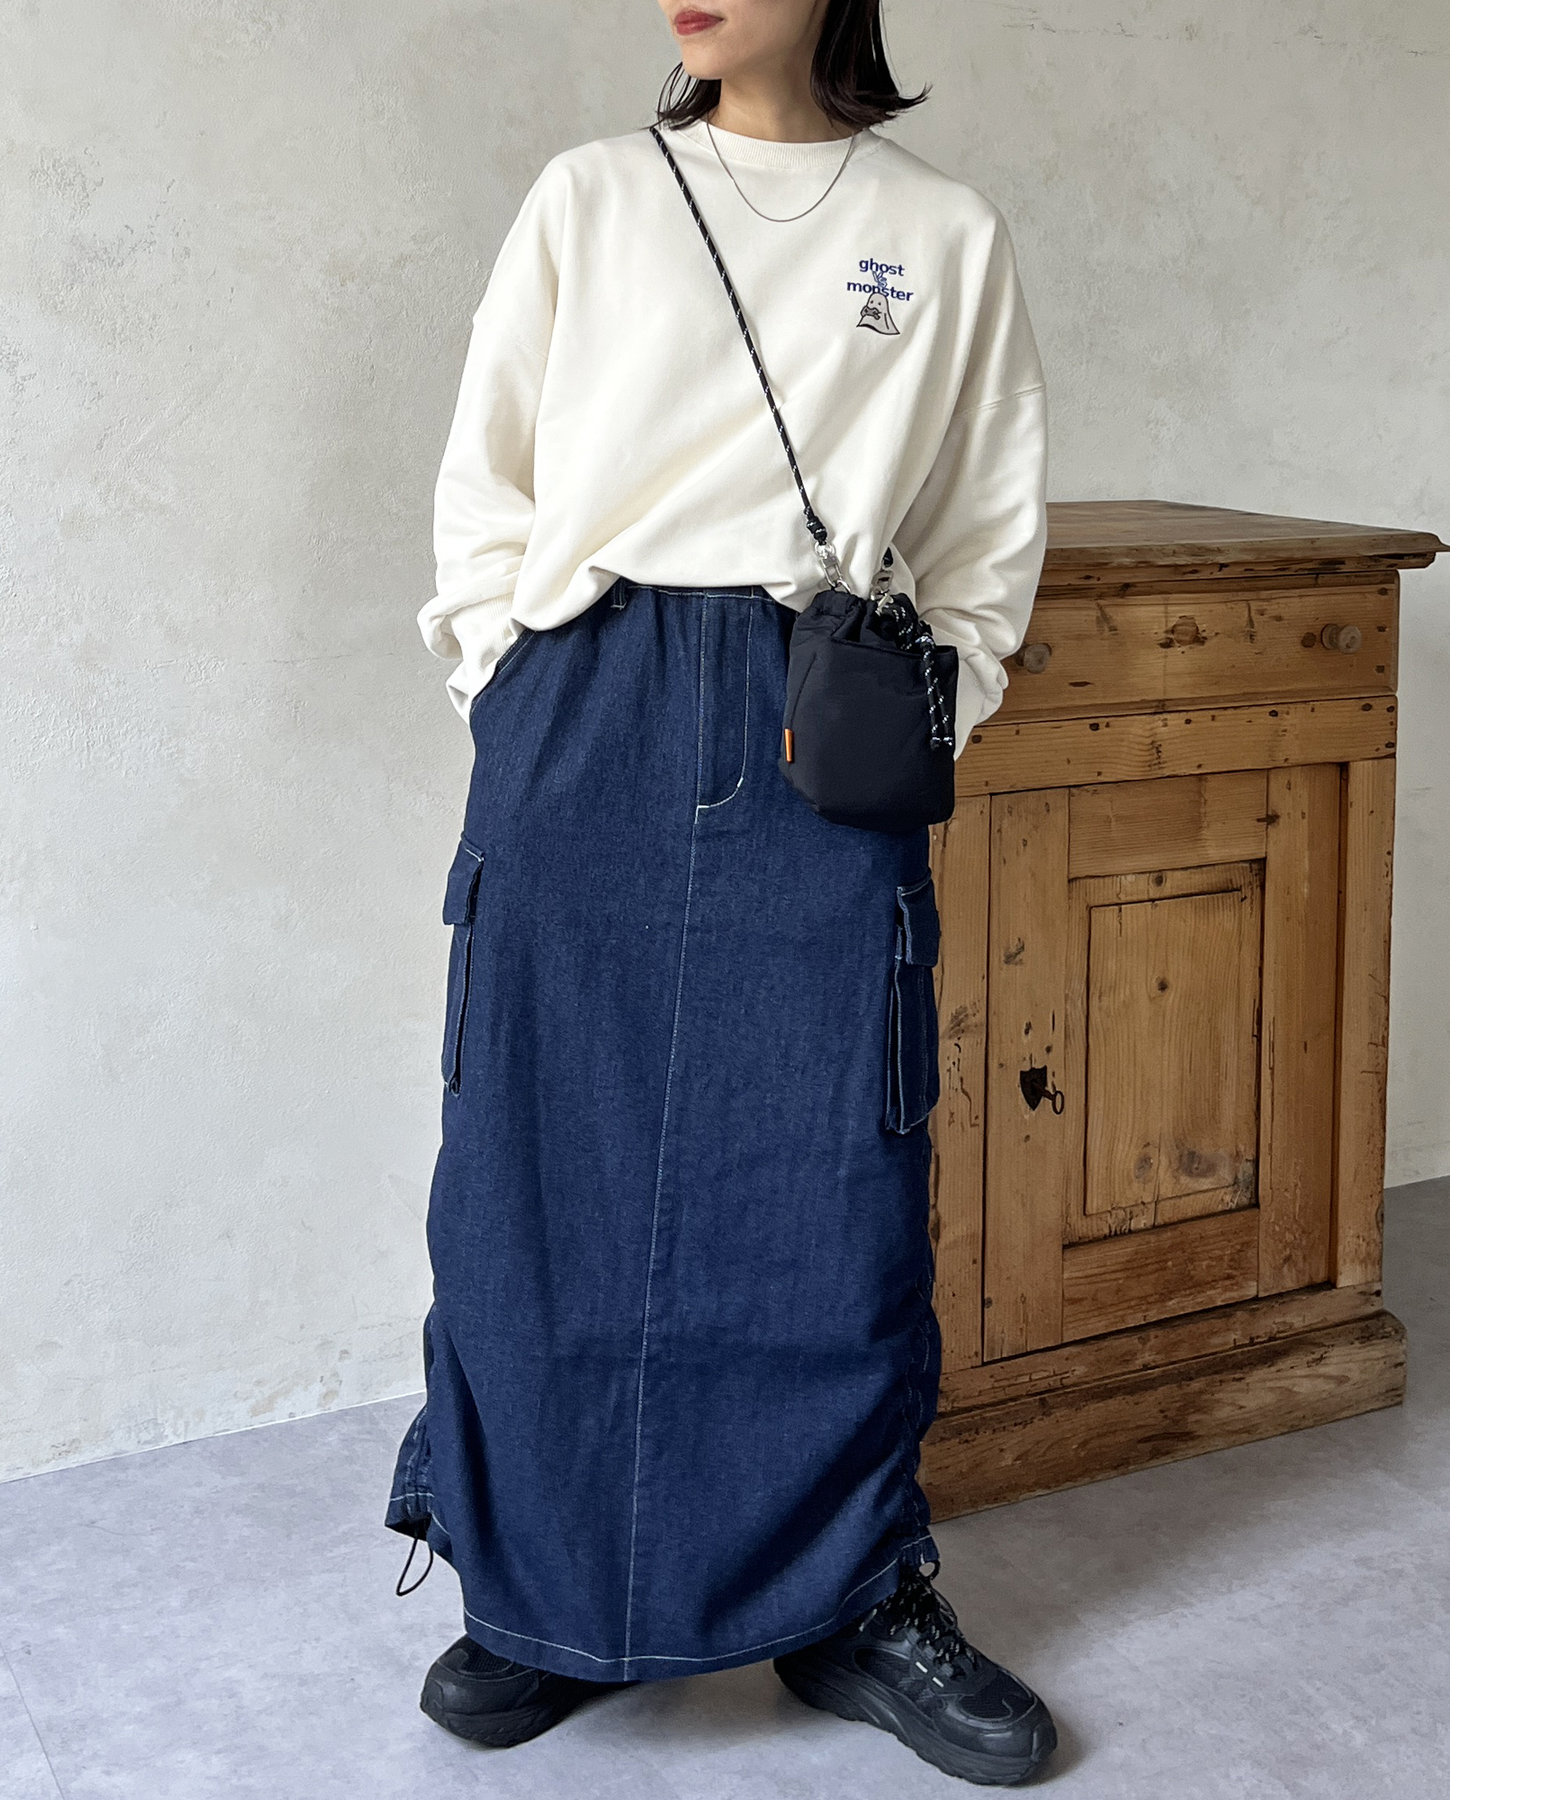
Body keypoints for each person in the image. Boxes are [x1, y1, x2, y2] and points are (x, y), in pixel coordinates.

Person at [387, 0, 1054, 1784]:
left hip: (816, 702)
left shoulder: (942, 232)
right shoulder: (591, 195)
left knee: (832, 1162)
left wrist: (935, 695)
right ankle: (540, 1590)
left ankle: (853, 1596)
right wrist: (510, 681)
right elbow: (488, 477)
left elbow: (984, 530)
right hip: (584, 698)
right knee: (539, 1150)